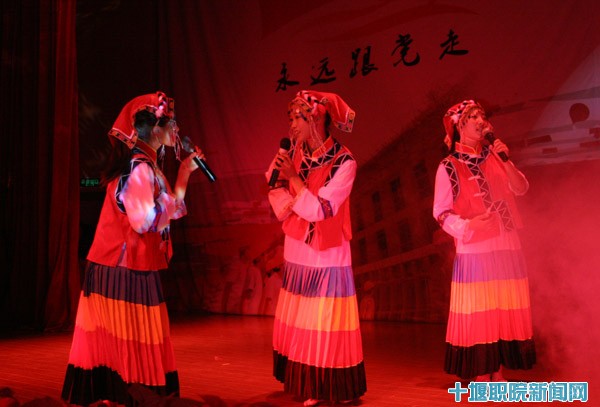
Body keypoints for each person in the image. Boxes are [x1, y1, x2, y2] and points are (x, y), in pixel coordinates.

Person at [61, 91, 201, 406]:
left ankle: (127, 397)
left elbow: (169, 211)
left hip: (132, 267)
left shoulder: (147, 165)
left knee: (133, 341)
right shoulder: (139, 168)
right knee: (128, 342)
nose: (176, 129)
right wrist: (164, 205)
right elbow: (144, 221)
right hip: (121, 269)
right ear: (153, 129)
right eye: (171, 123)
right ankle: (130, 397)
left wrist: (183, 174)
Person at [266, 90, 367, 406]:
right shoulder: (292, 153)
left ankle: (325, 384)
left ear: (317, 118)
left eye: (298, 117)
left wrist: (295, 182)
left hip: (327, 254)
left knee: (323, 319)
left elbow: (321, 210)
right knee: (301, 318)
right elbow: (273, 188)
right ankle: (306, 380)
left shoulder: (344, 162)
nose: (292, 125)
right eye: (291, 118)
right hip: (297, 248)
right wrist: (291, 198)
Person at [433, 99, 536, 381]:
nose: (481, 121)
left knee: (502, 306)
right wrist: (468, 225)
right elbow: (441, 213)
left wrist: (506, 159)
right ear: (459, 126)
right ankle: (481, 371)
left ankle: (497, 370)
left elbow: (521, 188)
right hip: (475, 245)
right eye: (473, 117)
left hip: (506, 241)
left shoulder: (495, 156)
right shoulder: (449, 166)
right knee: (481, 309)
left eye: (482, 116)